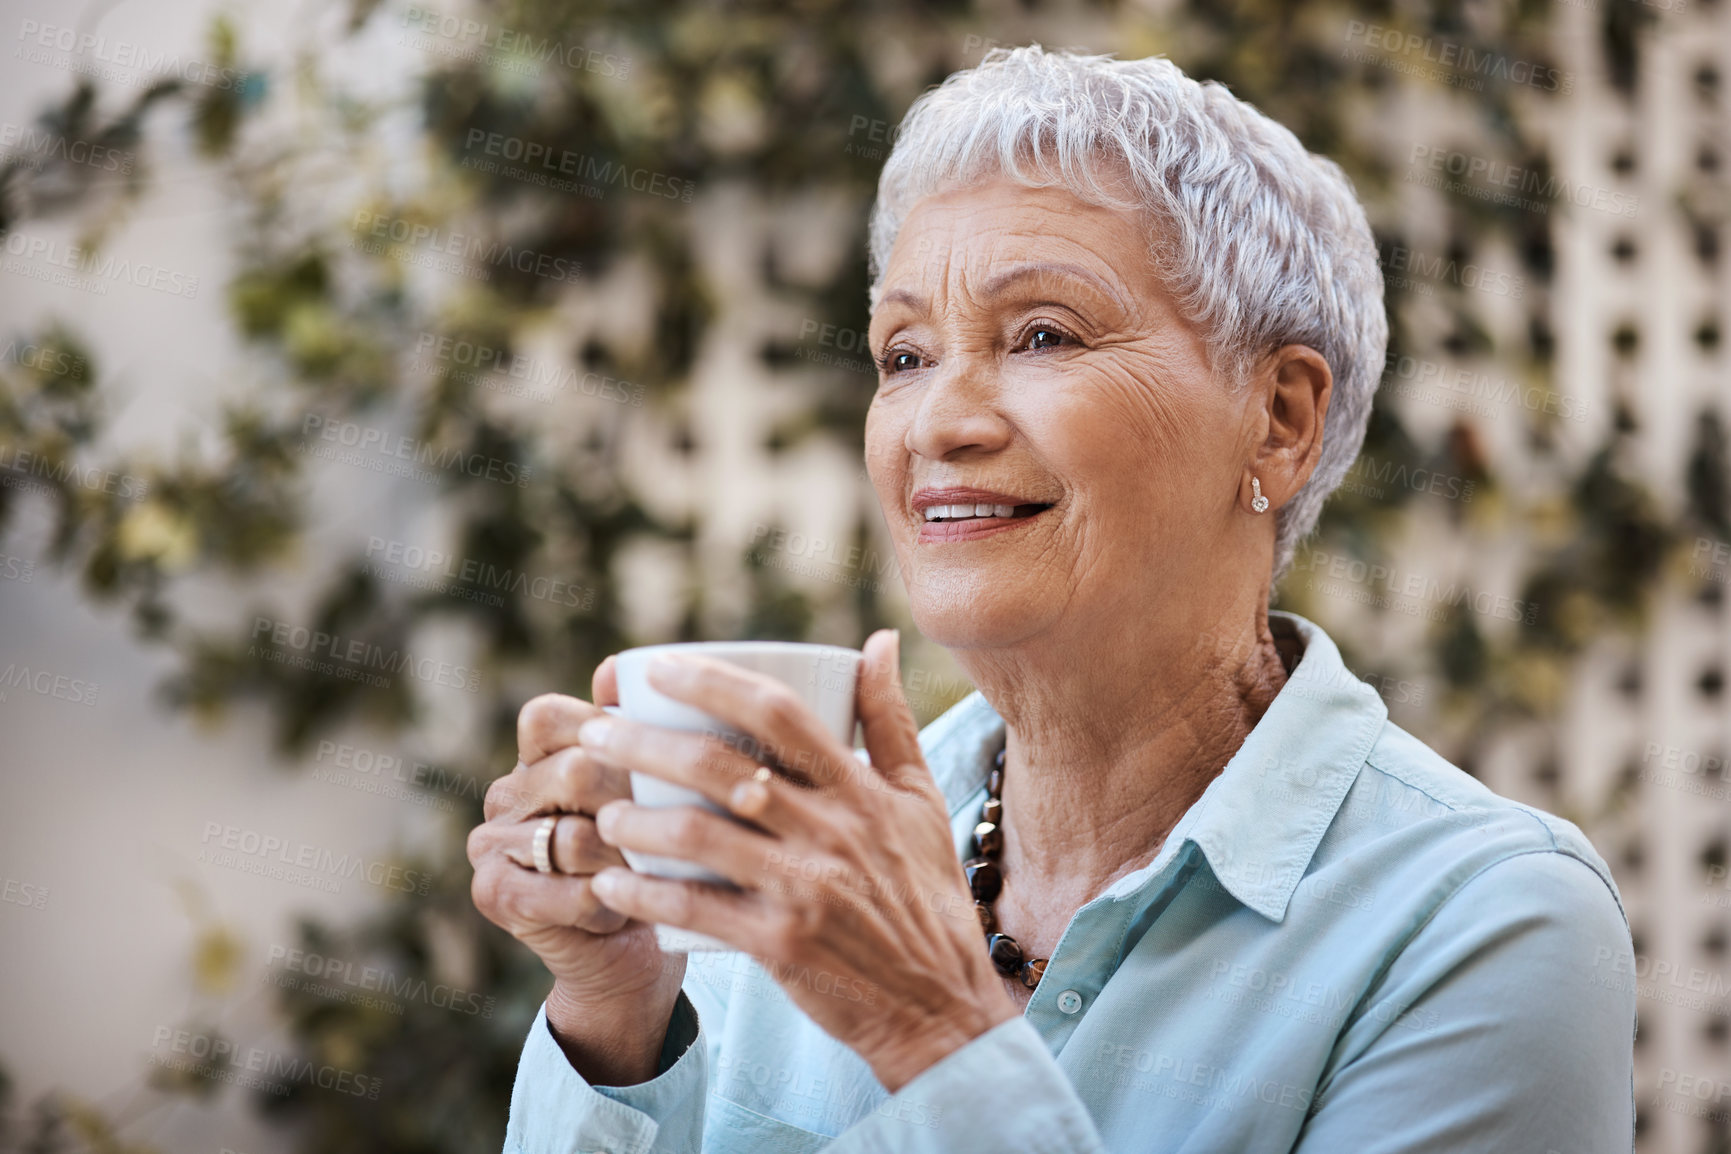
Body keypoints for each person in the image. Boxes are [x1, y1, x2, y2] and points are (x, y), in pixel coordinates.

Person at [468, 45, 1636, 1152]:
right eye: (905, 355)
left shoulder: (1491, 921)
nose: (940, 421)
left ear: (1278, 420)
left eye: (1042, 333)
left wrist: (933, 1030)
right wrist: (616, 1018)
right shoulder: (813, 847)